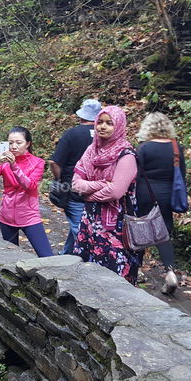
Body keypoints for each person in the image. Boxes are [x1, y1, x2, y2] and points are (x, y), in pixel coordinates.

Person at [69, 106, 141, 285]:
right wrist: (102, 184)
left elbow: (116, 191)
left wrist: (89, 195)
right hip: (90, 221)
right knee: (86, 271)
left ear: (119, 126)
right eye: (100, 122)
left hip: (116, 226)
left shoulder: (126, 155)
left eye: (109, 123)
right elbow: (76, 183)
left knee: (113, 276)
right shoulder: (91, 151)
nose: (103, 127)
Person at [0, 127, 53, 257]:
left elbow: (29, 185)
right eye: (10, 143)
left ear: (28, 143)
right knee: (11, 257)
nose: (13, 146)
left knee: (46, 255)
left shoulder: (37, 162)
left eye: (18, 143)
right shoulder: (3, 162)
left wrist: (14, 166)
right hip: (6, 216)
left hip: (29, 216)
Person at [136, 112, 186, 295]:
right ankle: (170, 272)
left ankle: (137, 269)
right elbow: (181, 174)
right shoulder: (176, 147)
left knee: (140, 228)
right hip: (166, 195)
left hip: (144, 193)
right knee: (163, 233)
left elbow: (136, 174)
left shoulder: (143, 148)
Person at [48, 99, 101, 254]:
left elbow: (54, 162)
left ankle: (89, 263)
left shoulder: (72, 134)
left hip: (73, 189)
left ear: (81, 116)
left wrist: (59, 179)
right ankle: (66, 254)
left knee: (80, 230)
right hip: (99, 189)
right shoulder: (105, 135)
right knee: (82, 224)